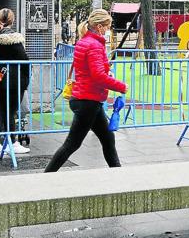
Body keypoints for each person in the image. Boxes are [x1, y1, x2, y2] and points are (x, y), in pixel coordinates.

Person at [45, 9, 127, 172]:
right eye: (108, 26)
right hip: (88, 100)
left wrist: (104, 68)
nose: (109, 30)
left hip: (88, 99)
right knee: (72, 144)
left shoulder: (84, 42)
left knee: (107, 138)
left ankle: (118, 174)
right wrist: (121, 86)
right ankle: (46, 176)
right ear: (99, 27)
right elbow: (98, 76)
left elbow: (88, 71)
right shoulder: (95, 45)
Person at [0, 8, 31, 156]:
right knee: (10, 111)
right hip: (13, 80)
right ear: (12, 20)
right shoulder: (14, 38)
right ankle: (13, 142)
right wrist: (25, 81)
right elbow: (24, 60)